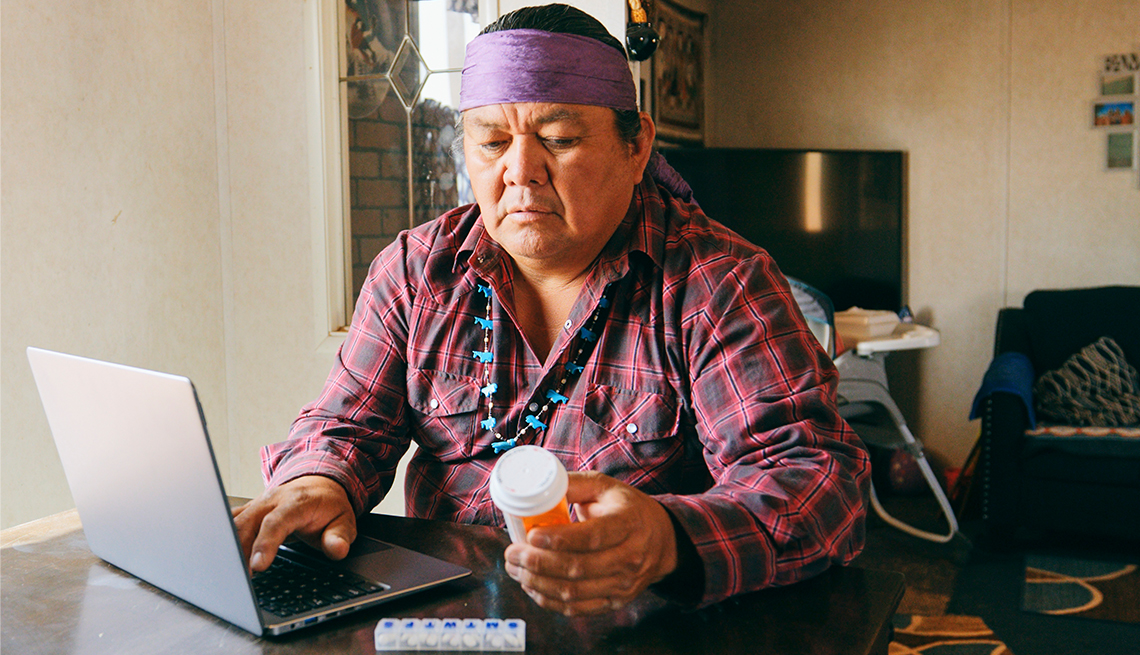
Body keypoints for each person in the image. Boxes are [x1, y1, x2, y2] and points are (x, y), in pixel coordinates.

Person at [234, 3, 869, 616]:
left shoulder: (717, 284)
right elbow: (345, 427)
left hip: (636, 625)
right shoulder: (417, 270)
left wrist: (669, 539)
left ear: (637, 144)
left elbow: (816, 482)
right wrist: (320, 483)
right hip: (445, 624)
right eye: (489, 142)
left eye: (559, 139)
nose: (520, 171)